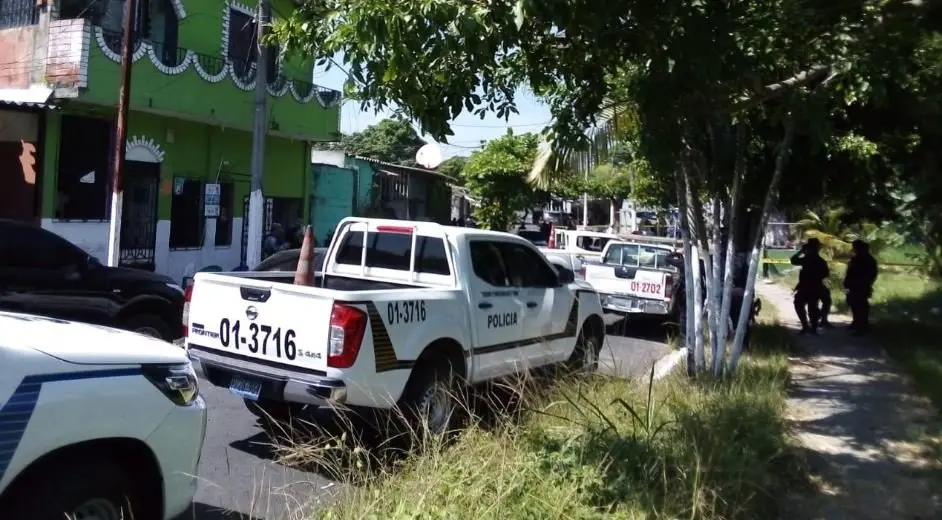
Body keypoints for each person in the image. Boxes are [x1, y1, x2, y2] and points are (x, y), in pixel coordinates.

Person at [790, 238, 830, 335]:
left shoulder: (809, 259)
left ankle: (807, 326)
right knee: (811, 306)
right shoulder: (819, 260)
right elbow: (826, 274)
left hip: (808, 286)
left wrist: (801, 252)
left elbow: (794, 260)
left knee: (802, 305)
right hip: (813, 286)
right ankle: (812, 327)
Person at [844, 239, 879, 336]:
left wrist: (867, 283)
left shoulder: (867, 260)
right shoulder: (857, 259)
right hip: (855, 285)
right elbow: (850, 272)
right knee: (854, 304)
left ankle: (862, 327)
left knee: (861, 306)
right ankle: (856, 323)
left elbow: (872, 274)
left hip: (861, 285)